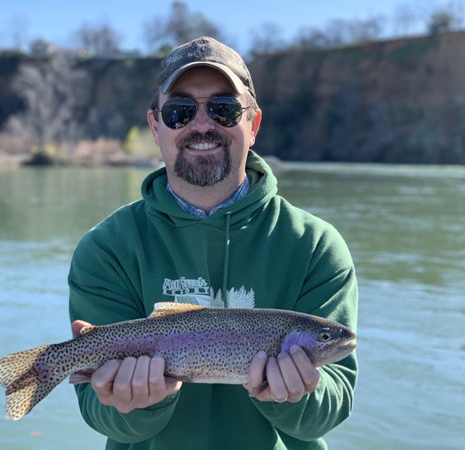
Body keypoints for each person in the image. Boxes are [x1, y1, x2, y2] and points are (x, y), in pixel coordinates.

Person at [68, 36, 358, 450]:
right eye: (179, 111)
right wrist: (135, 404)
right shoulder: (106, 248)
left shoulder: (316, 246)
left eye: (224, 109)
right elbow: (102, 418)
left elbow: (332, 407)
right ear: (155, 127)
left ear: (253, 125)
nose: (202, 125)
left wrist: (294, 398)